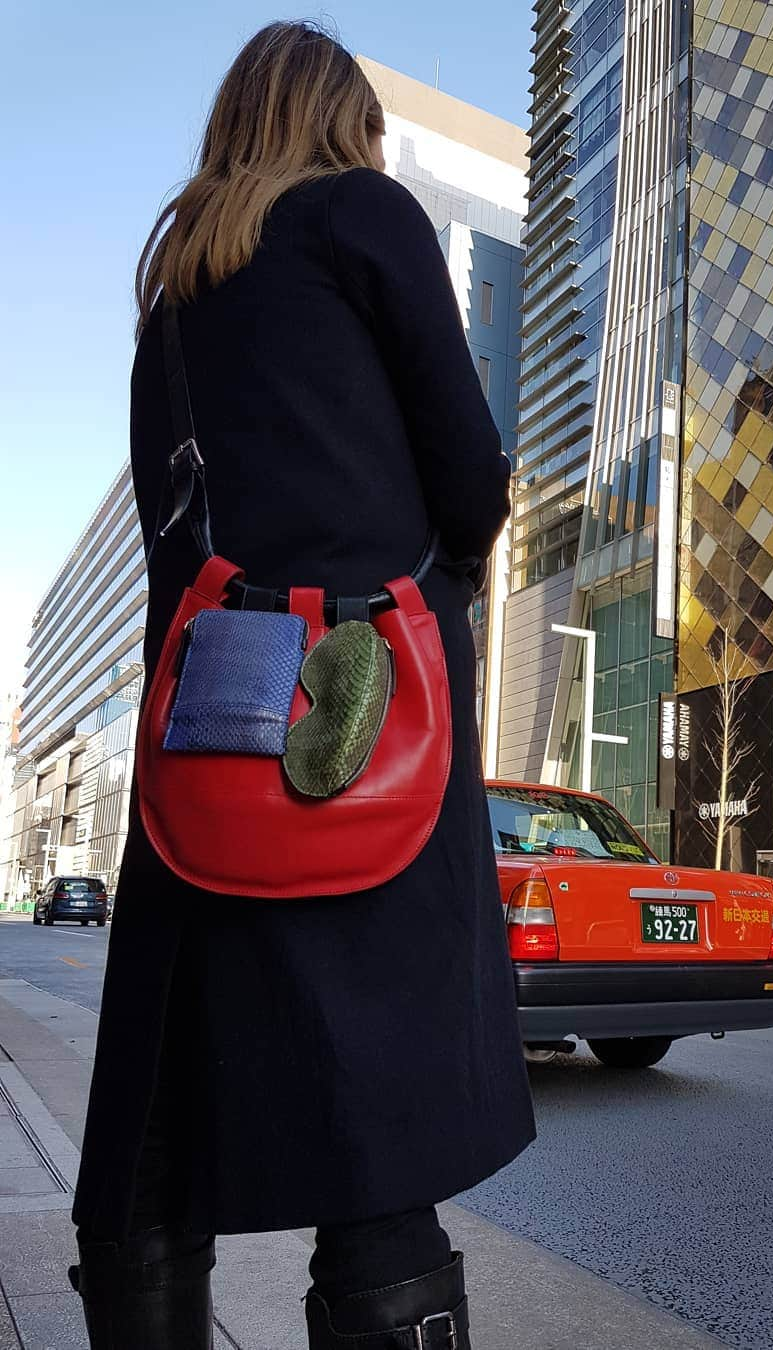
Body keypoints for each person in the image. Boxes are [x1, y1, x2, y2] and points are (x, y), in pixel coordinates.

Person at [70, 21, 535, 1350]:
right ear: (343, 121)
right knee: (373, 1131)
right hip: (357, 712)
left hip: (206, 722)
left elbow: (175, 535)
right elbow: (469, 467)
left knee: (153, 1137)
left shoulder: (178, 280)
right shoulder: (361, 216)